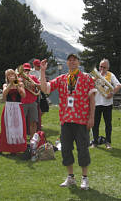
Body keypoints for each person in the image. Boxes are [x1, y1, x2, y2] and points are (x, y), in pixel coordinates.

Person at [40, 54, 96, 190]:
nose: (72, 62)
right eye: (70, 60)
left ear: (78, 62)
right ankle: (70, 177)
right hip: (66, 119)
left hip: (82, 119)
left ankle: (85, 178)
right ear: (67, 63)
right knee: (66, 149)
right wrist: (42, 71)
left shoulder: (87, 78)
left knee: (83, 149)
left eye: (74, 60)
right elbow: (45, 89)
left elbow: (92, 100)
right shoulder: (62, 79)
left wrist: (92, 117)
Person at [91, 59, 121, 149]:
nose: (102, 68)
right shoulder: (95, 75)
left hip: (107, 104)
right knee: (95, 124)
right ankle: (95, 142)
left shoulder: (111, 75)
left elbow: (118, 85)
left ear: (108, 67)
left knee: (108, 124)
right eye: (100, 66)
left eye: (104, 67)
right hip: (96, 103)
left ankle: (108, 142)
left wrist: (112, 93)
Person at [0, 69, 27, 155]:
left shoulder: (20, 84)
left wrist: (16, 85)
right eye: (9, 75)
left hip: (17, 107)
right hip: (8, 107)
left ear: (15, 75)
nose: (11, 76)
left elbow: (23, 95)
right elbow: (4, 94)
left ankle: (15, 149)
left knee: (18, 128)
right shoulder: (5, 85)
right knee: (6, 128)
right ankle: (1, 149)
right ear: (7, 77)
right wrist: (10, 84)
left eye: (12, 74)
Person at [20, 63, 41, 138]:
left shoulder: (33, 77)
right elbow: (14, 84)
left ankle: (32, 138)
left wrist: (34, 85)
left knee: (34, 121)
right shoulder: (19, 78)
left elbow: (40, 86)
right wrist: (20, 82)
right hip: (23, 102)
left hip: (32, 102)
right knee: (22, 122)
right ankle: (22, 138)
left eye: (28, 70)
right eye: (25, 70)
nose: (26, 72)